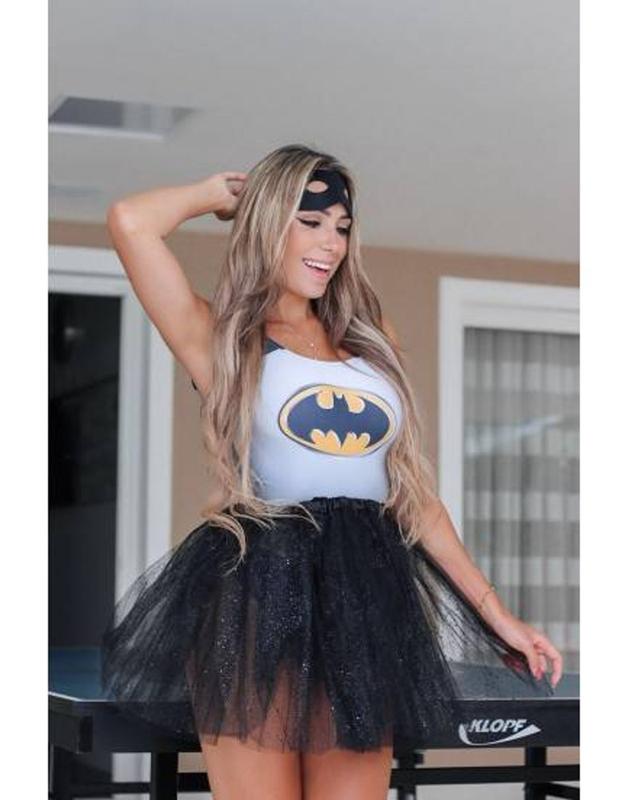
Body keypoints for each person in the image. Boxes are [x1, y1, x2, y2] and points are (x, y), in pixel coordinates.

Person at [102, 143, 563, 800]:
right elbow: (131, 221)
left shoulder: (370, 341)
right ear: (269, 223)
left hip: (362, 602)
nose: (331, 243)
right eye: (310, 221)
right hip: (258, 596)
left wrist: (497, 615)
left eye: (342, 227)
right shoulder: (221, 339)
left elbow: (415, 500)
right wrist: (220, 195)